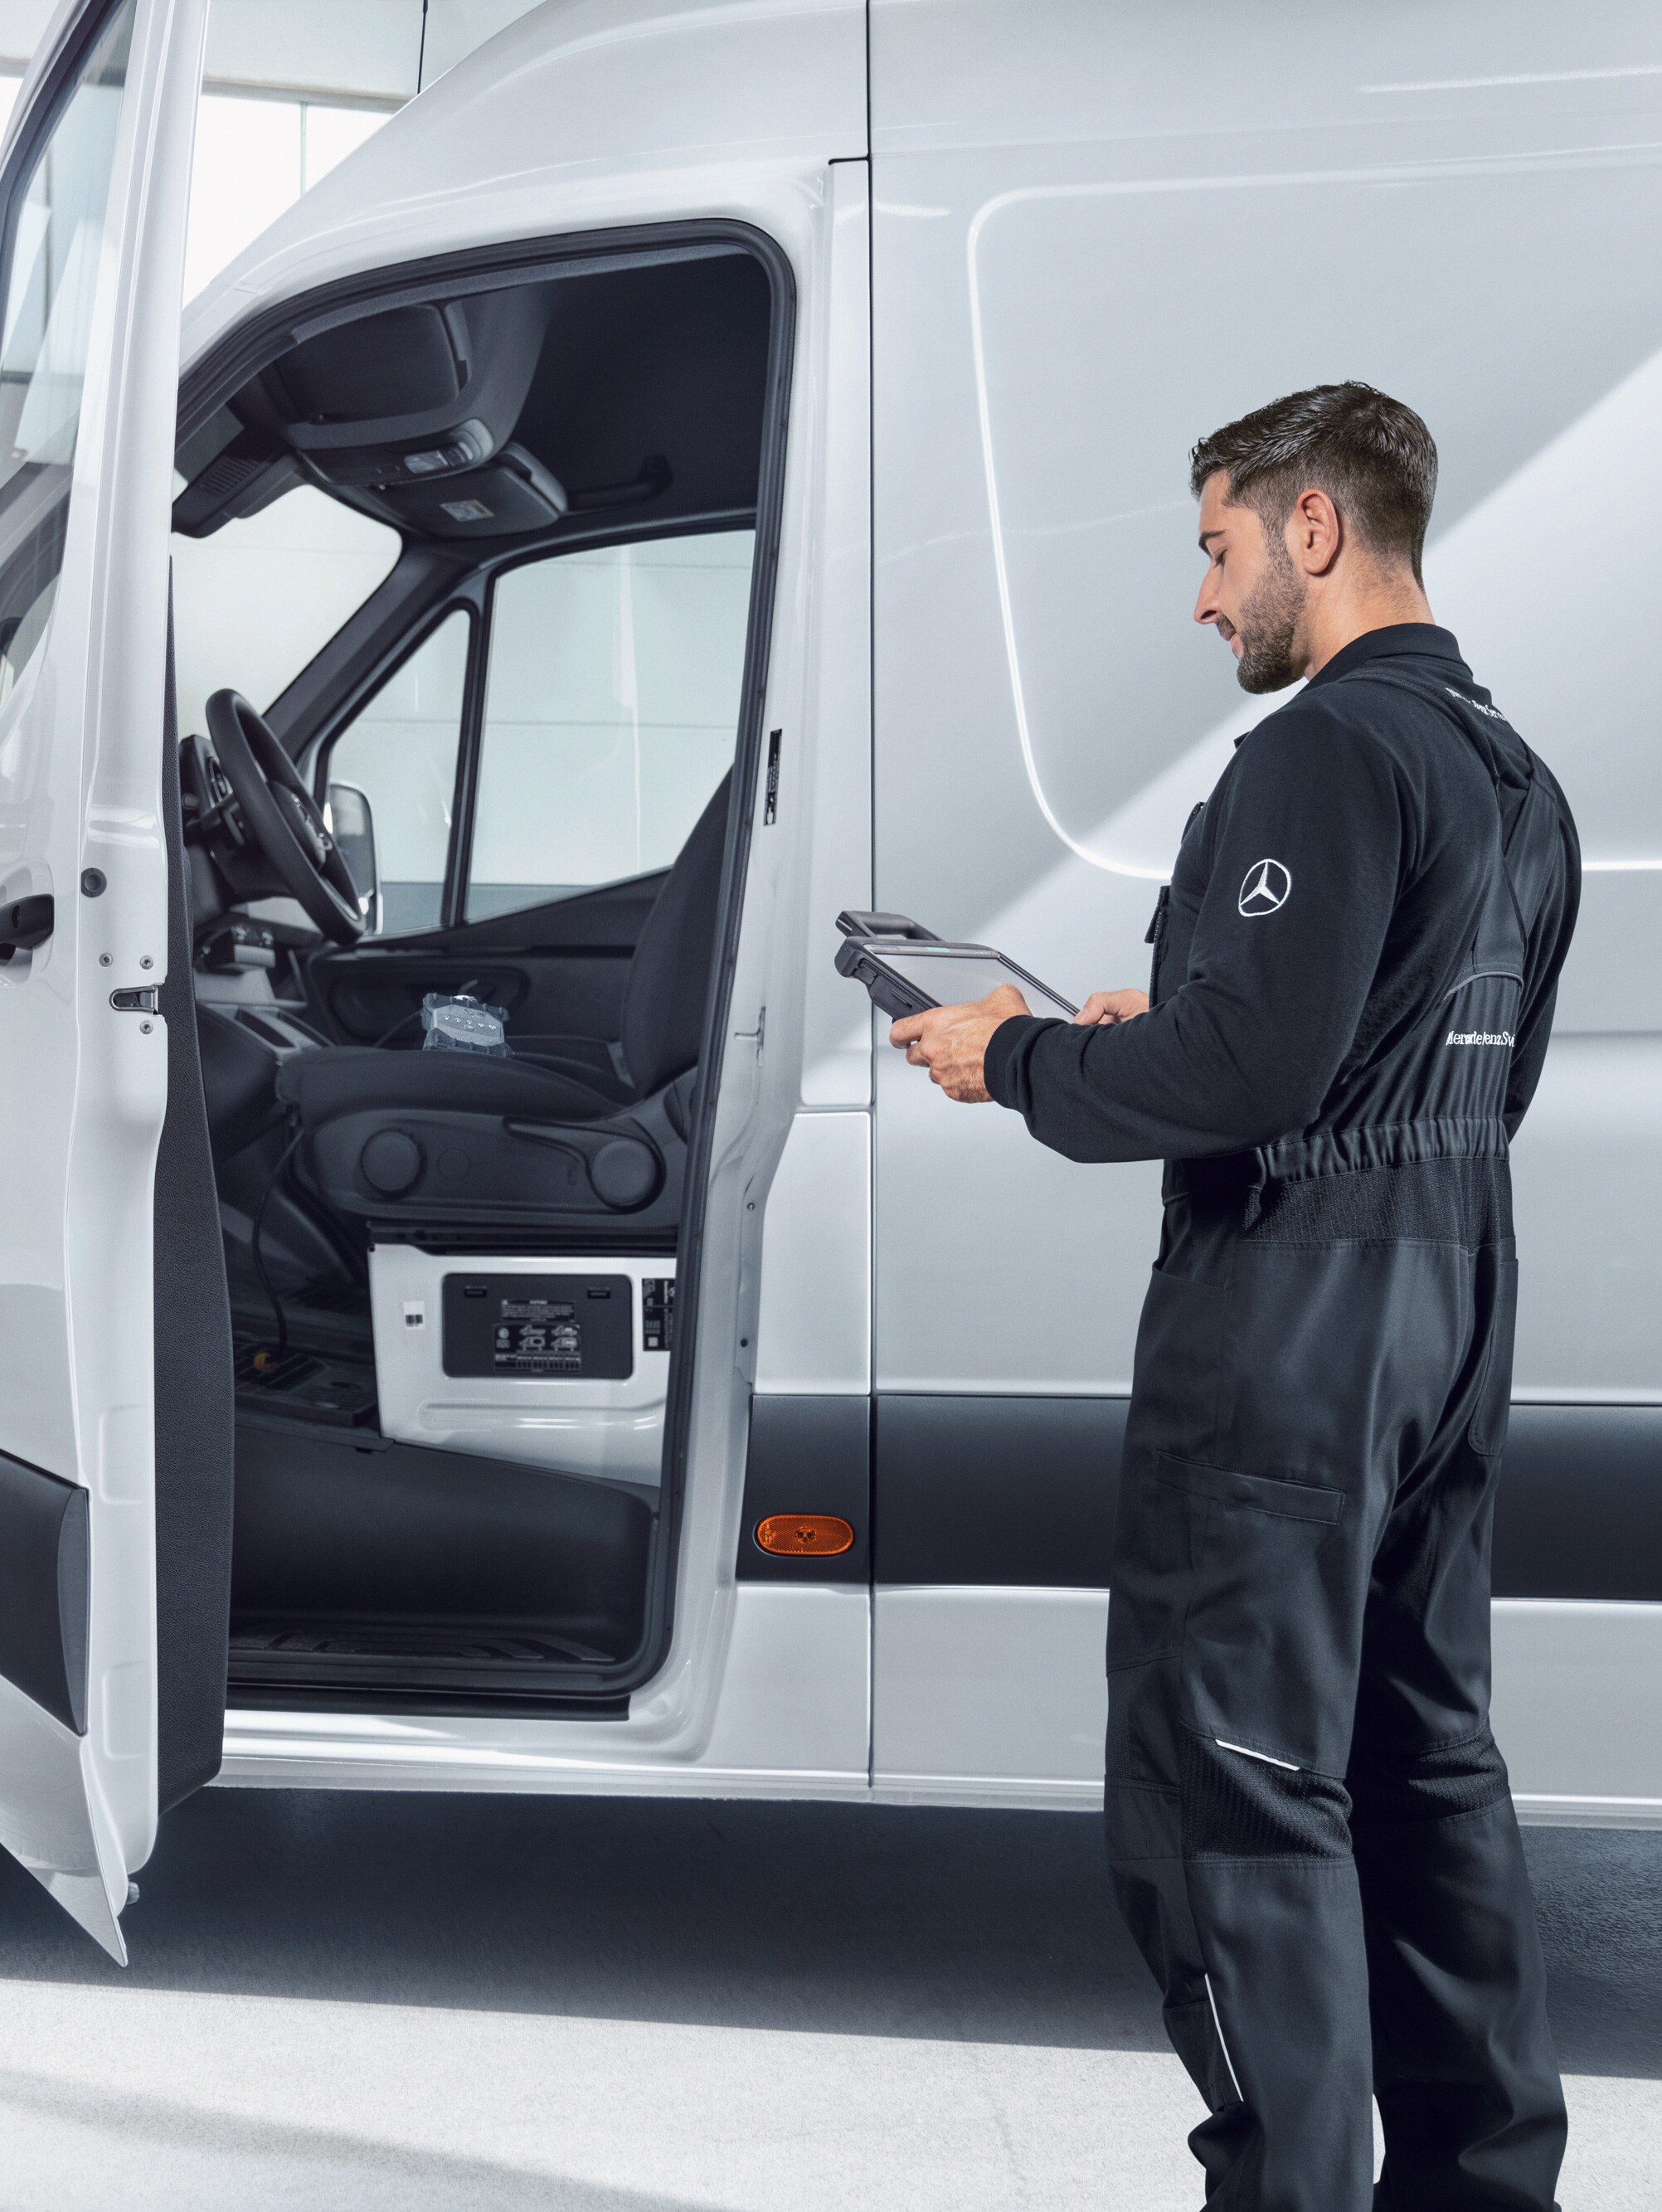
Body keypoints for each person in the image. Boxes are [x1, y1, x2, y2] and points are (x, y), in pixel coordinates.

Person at [892, 383, 1577, 2211]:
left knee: (1235, 1782)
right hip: (1452, 1286)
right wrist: (1162, 1031)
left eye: (1218, 546)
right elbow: (1414, 1061)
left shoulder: (1323, 752)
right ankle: (1483, 2186)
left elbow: (1257, 1085)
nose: (1206, 597)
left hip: (1291, 1316)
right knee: (1423, 1762)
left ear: (1317, 528)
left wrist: (1022, 1054)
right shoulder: (1512, 771)